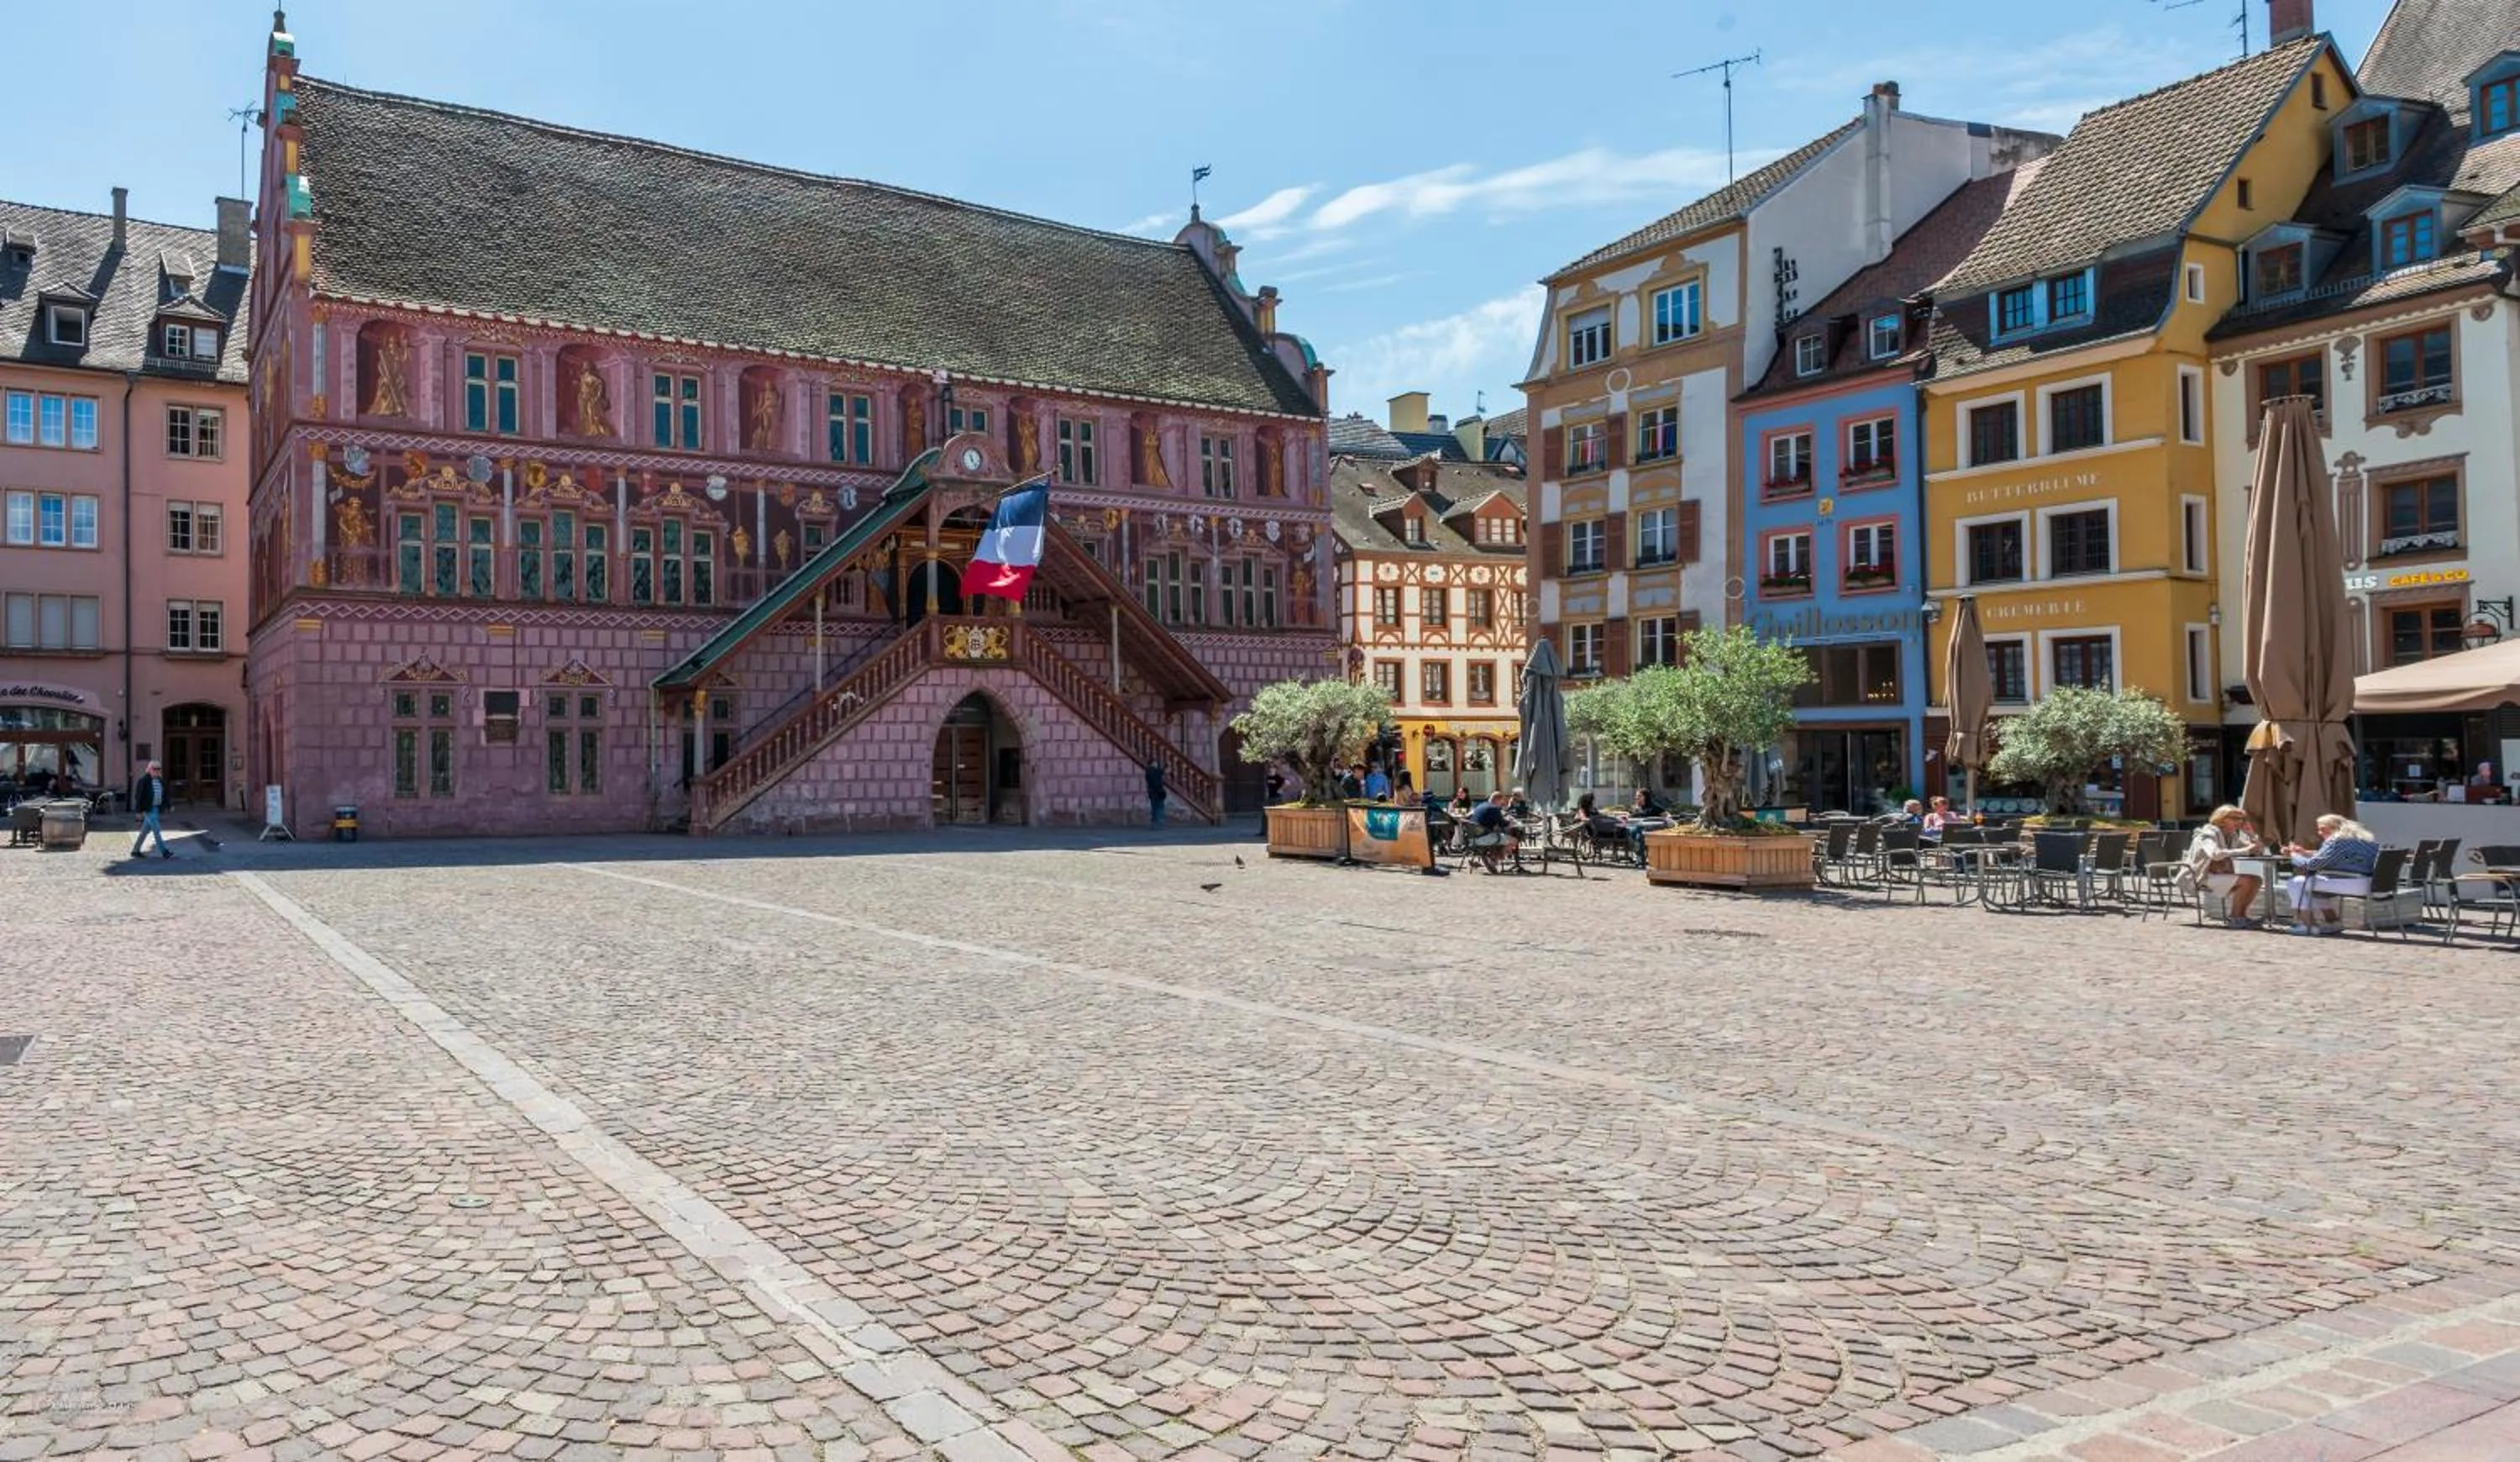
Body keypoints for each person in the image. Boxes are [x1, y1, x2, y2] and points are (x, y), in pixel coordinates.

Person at [2283, 814, 2380, 934]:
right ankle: (2332, 922)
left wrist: (2293, 856)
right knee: (2314, 883)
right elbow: (2336, 857)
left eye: (2322, 829)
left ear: (2334, 828)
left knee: (2296, 883)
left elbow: (2311, 866)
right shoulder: (2367, 841)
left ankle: (2309, 926)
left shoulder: (2336, 841)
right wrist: (2305, 853)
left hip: (2351, 883)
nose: (2319, 833)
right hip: (2369, 883)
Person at [2179, 803, 2264, 927]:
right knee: (2248, 880)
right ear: (2222, 819)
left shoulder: (2232, 836)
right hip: (2200, 876)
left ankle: (2242, 916)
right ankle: (2236, 918)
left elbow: (2256, 851)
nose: (2239, 822)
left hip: (2218, 873)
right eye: (2235, 818)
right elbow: (2215, 854)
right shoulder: (2208, 834)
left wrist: (2251, 834)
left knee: (2256, 879)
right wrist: (2246, 850)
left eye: (2241, 819)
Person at [130, 760, 173, 860]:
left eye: (159, 769)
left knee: (144, 831)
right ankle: (164, 851)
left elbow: (165, 795)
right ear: (149, 769)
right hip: (148, 809)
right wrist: (139, 812)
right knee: (157, 830)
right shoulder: (143, 781)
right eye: (155, 769)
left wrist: (169, 805)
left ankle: (135, 851)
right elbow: (138, 797)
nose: (157, 771)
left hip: (156, 808)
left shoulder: (160, 780)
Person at [1468, 790, 1519, 870]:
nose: (1501, 805)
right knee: (1514, 840)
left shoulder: (1480, 806)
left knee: (1501, 838)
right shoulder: (1494, 808)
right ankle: (1494, 860)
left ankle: (1493, 858)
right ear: (1497, 800)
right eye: (1501, 803)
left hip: (1472, 838)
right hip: (1483, 839)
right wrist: (1512, 822)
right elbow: (1503, 824)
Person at [1144, 758, 1166, 828]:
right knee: (1159, 807)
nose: (1156, 764)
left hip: (1152, 792)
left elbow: (1160, 772)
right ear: (1153, 763)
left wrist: (1164, 768)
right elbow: (1157, 778)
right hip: (1157, 792)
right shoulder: (1153, 771)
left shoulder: (1149, 771)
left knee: (1154, 807)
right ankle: (1158, 822)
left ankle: (1154, 821)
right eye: (1155, 763)